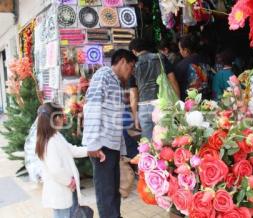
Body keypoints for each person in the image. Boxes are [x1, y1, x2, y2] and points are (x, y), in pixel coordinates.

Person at [82, 49, 137, 218]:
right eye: (131, 66)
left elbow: (114, 119)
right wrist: (92, 144)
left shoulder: (116, 82)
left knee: (113, 190)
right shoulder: (103, 76)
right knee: (106, 193)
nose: (131, 72)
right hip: (101, 146)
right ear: (122, 62)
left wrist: (120, 148)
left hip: (110, 146)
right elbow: (91, 107)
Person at [35, 102, 88, 218]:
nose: (64, 119)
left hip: (66, 189)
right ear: (55, 119)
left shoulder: (55, 136)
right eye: (61, 116)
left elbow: (71, 150)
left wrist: (90, 151)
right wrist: (69, 182)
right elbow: (56, 170)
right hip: (60, 191)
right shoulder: (50, 142)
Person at [129, 38, 180, 139]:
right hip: (162, 104)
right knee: (165, 139)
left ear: (134, 51)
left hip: (144, 107)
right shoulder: (160, 58)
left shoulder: (133, 65)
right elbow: (172, 81)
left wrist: (135, 117)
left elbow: (134, 96)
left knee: (148, 143)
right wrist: (178, 103)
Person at [175, 35, 211, 100]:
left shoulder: (180, 66)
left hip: (190, 104)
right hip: (206, 102)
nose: (179, 52)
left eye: (180, 49)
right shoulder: (205, 60)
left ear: (185, 50)